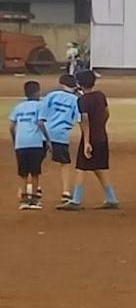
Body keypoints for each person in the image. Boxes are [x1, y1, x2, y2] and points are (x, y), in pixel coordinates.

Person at [68, 70, 118, 211]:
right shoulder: (100, 96)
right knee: (99, 168)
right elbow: (106, 113)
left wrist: (87, 142)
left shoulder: (82, 100)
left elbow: (85, 121)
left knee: (81, 168)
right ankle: (112, 198)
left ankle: (76, 200)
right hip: (102, 136)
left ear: (79, 84)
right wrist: (100, 126)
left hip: (91, 138)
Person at [39, 76, 81, 210]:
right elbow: (78, 118)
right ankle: (65, 191)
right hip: (61, 134)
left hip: (44, 132)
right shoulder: (75, 100)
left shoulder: (51, 95)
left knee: (39, 160)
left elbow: (41, 115)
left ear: (61, 84)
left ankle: (36, 186)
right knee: (64, 163)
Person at [12, 81, 45, 210]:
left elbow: (12, 126)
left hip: (21, 144)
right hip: (35, 143)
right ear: (37, 92)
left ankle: (24, 199)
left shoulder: (18, 107)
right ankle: (35, 199)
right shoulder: (40, 106)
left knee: (23, 173)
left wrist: (16, 138)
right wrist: (48, 139)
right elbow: (41, 123)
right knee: (35, 172)